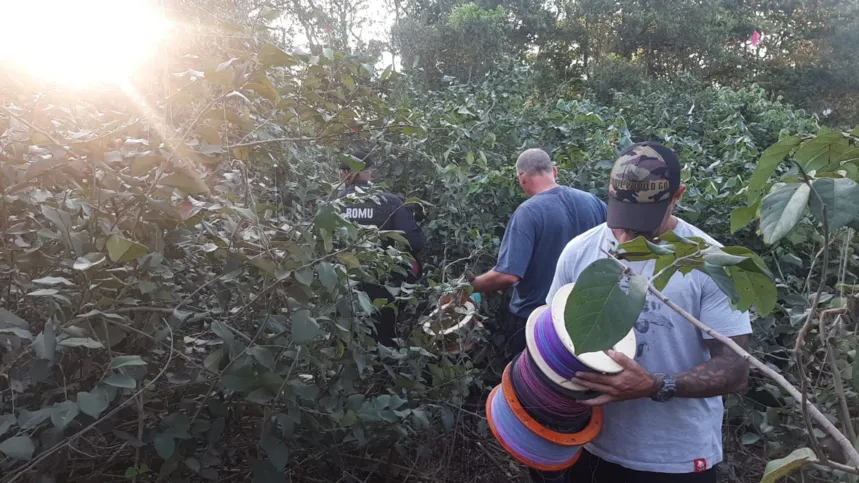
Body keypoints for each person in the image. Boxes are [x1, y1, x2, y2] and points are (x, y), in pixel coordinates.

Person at [538, 142, 752, 483]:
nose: (628, 233)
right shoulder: (580, 251)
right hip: (591, 445)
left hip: (675, 459)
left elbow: (736, 368)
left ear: (677, 195)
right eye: (623, 215)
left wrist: (655, 384)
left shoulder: (710, 262)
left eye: (643, 220)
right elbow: (553, 337)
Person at [469, 148, 606, 356]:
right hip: (586, 319)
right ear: (555, 171)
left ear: (522, 178)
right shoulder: (594, 202)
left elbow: (508, 274)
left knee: (528, 384)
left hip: (537, 322)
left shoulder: (528, 212)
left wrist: (468, 286)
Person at [337, 149, 425, 345]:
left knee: (345, 342)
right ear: (370, 172)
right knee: (383, 342)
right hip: (381, 289)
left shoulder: (332, 203)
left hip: (342, 290)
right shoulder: (390, 201)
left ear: (345, 173)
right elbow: (416, 242)